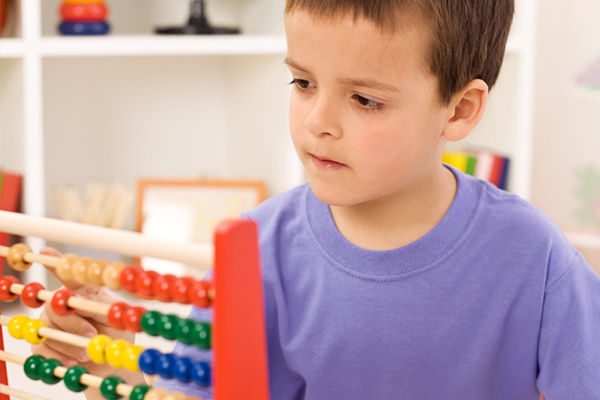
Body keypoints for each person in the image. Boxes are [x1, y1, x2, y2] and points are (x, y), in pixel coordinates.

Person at [36, 0, 600, 399]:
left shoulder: (533, 256)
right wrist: (112, 365)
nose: (318, 122)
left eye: (364, 99)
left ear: (459, 110)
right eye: (303, 83)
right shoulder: (256, 248)